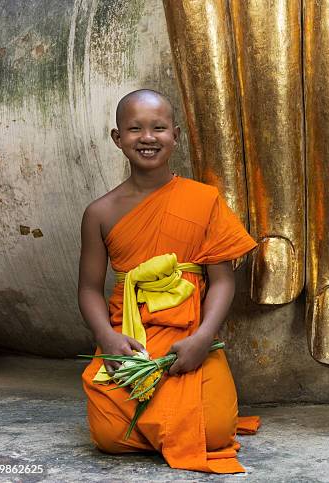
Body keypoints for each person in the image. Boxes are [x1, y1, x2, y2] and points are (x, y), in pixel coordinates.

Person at [78, 89, 259, 473]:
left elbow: (223, 281)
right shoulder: (99, 212)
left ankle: (169, 424)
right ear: (117, 138)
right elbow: (89, 289)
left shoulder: (204, 199)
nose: (147, 137)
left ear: (175, 135)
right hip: (132, 337)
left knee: (214, 431)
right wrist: (107, 339)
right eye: (135, 129)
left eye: (158, 128)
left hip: (189, 335)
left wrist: (204, 338)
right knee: (110, 435)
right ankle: (168, 426)